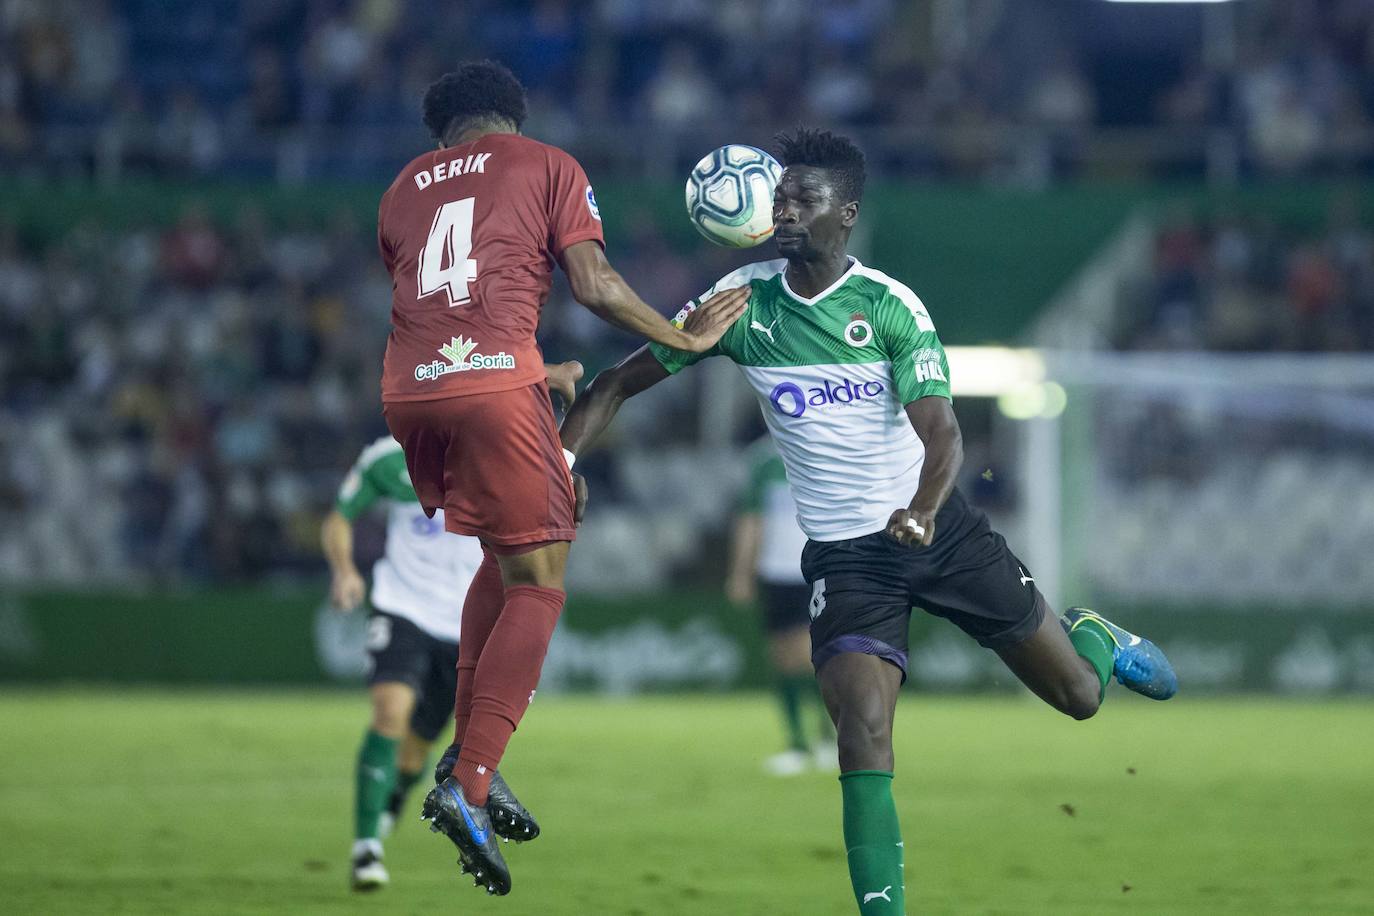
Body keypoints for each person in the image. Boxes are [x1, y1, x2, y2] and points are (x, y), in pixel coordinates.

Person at [559, 127, 1177, 915]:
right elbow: (612, 384)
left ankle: (1093, 635)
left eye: (803, 199)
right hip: (847, 561)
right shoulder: (740, 305)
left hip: (941, 533)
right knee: (863, 729)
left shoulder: (889, 306)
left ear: (845, 214)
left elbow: (945, 434)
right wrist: (562, 465)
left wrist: (920, 511)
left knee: (1081, 698)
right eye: (778, 196)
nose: (783, 211)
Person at [374, 60, 747, 896]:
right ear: (514, 115)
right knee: (542, 580)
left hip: (410, 392)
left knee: (501, 561)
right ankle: (470, 782)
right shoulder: (547, 164)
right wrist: (680, 337)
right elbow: (595, 284)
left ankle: (467, 761)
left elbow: (444, 310)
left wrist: (537, 372)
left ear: (443, 133)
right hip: (492, 389)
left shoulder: (401, 190)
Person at [324, 363, 582, 892]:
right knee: (389, 713)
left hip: (466, 623)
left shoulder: (496, 454)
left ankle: (392, 804)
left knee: (418, 752)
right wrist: (346, 570)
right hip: (403, 609)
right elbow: (338, 516)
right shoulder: (387, 460)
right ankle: (366, 847)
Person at [724, 436, 836, 775]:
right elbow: (751, 519)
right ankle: (799, 743)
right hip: (775, 572)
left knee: (810, 653)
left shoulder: (827, 448)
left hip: (815, 570)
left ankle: (829, 737)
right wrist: (741, 572)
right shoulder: (763, 461)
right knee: (781, 657)